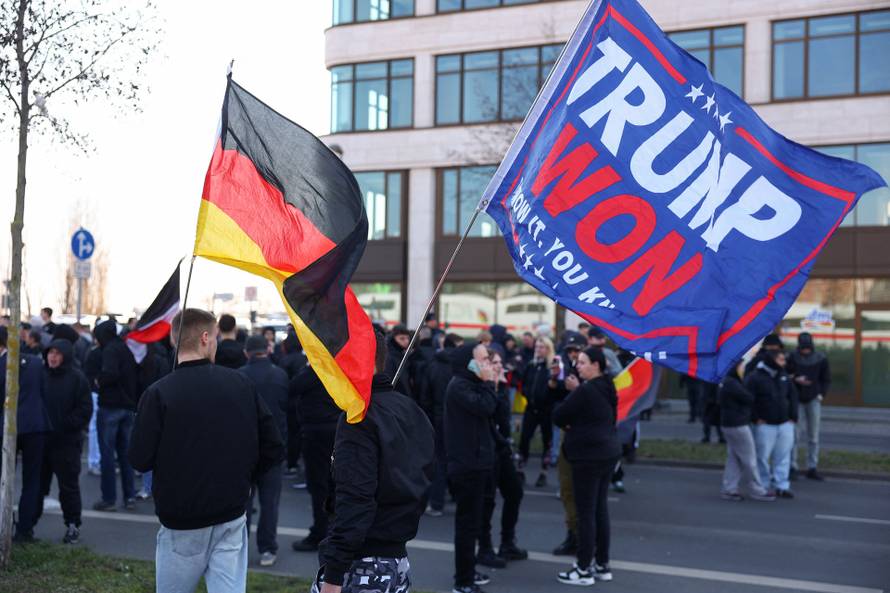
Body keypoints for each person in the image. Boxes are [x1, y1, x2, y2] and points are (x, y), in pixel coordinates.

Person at [129, 308, 283, 593]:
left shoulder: (159, 393)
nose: (216, 343)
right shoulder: (240, 384)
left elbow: (139, 457)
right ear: (204, 338)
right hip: (228, 514)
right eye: (215, 337)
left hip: (185, 517)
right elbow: (273, 446)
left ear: (174, 340)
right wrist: (245, 478)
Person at [312, 329, 435, 593]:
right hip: (396, 561)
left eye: (338, 357)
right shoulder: (410, 410)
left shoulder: (359, 417)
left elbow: (355, 499)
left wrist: (333, 576)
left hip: (362, 565)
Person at [552, 347, 618, 586]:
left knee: (586, 513)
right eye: (577, 362)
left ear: (596, 365)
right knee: (599, 509)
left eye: (582, 362)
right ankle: (602, 564)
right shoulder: (608, 386)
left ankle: (582, 569)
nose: (577, 366)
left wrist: (574, 393)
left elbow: (559, 416)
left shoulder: (585, 390)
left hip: (587, 456)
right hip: (607, 452)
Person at [445, 342, 498, 593]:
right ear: (469, 362)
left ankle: (469, 570)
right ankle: (463, 581)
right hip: (467, 465)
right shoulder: (459, 386)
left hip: (478, 462)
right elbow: (485, 407)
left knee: (475, 523)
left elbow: (494, 411)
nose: (488, 364)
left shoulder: (471, 384)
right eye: (483, 359)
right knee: (467, 526)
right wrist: (489, 383)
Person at [36, 339, 93, 543]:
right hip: (41, 442)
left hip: (67, 443)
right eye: (50, 352)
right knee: (36, 486)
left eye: (58, 353)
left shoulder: (77, 378)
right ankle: (27, 526)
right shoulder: (40, 375)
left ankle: (72, 524)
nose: (53, 357)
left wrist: (64, 424)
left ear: (66, 356)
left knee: (68, 487)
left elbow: (85, 409)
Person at [239, 335, 288, 567]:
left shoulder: (239, 376)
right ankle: (268, 548)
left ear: (246, 352)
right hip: (274, 448)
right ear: (267, 350)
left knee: (243, 503)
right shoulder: (280, 375)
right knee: (270, 503)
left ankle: (240, 547)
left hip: (245, 448)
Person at [1, 327, 53, 543]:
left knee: (5, 479)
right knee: (32, 480)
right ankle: (25, 529)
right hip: (35, 426)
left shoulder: (3, 365)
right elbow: (44, 391)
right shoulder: (34, 362)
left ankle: (4, 526)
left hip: (9, 428)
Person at [479, 350, 527, 567]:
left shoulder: (501, 388)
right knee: (487, 501)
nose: (499, 366)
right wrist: (493, 387)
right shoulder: (484, 388)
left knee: (514, 492)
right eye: (494, 362)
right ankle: (485, 548)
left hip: (502, 450)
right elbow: (490, 418)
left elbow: (505, 423)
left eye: (500, 362)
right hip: (488, 451)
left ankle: (507, 542)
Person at [290, 364, 341, 552]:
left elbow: (294, 386)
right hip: (336, 429)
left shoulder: (317, 368)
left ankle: (321, 532)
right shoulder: (339, 368)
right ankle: (334, 531)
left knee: (318, 486)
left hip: (317, 433)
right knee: (334, 484)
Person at [92, 319, 139, 512]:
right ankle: (130, 496)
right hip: (127, 407)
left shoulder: (110, 350)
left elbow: (110, 374)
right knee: (125, 455)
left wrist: (99, 380)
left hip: (110, 406)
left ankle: (109, 498)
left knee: (107, 455)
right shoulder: (125, 348)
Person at [718, 361, 775, 502]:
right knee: (749, 458)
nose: (743, 370)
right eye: (741, 367)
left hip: (729, 423)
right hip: (738, 424)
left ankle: (729, 489)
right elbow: (749, 398)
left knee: (734, 458)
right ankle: (757, 489)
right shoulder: (733, 383)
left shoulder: (726, 382)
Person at [746, 349, 798, 499]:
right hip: (765, 424)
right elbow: (749, 399)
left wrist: (793, 416)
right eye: (781, 360)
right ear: (772, 360)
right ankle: (763, 485)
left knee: (783, 456)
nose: (784, 363)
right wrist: (755, 418)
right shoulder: (755, 377)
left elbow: (793, 395)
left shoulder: (783, 375)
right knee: (762, 456)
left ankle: (782, 486)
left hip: (785, 423)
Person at [417, 335, 456, 517]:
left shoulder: (432, 365)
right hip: (454, 419)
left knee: (437, 460)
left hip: (436, 418)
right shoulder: (458, 366)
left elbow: (424, 395)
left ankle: (434, 501)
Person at [517, 337, 560, 488]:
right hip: (531, 408)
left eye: (542, 347)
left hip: (547, 410)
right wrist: (527, 393)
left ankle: (543, 472)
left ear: (548, 349)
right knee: (524, 439)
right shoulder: (531, 365)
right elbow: (523, 383)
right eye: (537, 347)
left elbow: (556, 389)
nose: (538, 349)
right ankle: (520, 469)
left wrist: (549, 391)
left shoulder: (553, 367)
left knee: (547, 441)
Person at [788, 332, 830, 481]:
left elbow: (826, 379)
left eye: (807, 348)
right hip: (797, 399)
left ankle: (812, 467)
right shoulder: (792, 357)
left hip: (814, 399)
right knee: (794, 435)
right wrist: (795, 378)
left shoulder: (821, 358)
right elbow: (786, 374)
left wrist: (821, 394)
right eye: (803, 348)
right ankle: (792, 466)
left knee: (813, 436)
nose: (805, 350)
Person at [384, 325, 413, 398]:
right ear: (393, 338)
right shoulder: (389, 357)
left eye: (407, 338)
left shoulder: (403, 354)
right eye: (402, 338)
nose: (406, 341)